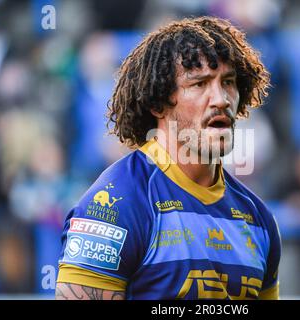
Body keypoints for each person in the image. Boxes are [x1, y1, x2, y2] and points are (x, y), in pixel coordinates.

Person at [55, 16, 281, 300]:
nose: (221, 98)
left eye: (228, 82)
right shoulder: (115, 207)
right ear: (157, 103)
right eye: (199, 84)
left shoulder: (259, 220)